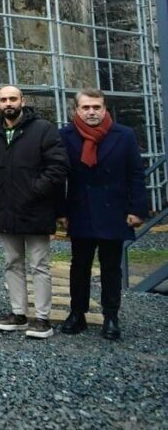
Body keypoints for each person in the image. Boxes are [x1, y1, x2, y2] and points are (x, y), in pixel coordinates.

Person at [0, 85, 69, 339]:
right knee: (12, 263)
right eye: (3, 100)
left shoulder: (42, 129)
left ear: (22, 100)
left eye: (12, 98)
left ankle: (42, 318)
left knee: (39, 264)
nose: (8, 103)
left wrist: (34, 190)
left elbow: (57, 166)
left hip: (36, 208)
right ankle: (18, 313)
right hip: (6, 208)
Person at [58, 88, 146, 340]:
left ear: (105, 108)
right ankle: (77, 313)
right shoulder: (64, 136)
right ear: (77, 109)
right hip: (80, 209)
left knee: (110, 266)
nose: (91, 112)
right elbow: (59, 176)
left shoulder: (124, 135)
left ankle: (111, 315)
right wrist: (61, 211)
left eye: (96, 107)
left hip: (114, 210)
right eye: (86, 107)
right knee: (79, 265)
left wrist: (137, 209)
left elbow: (136, 174)